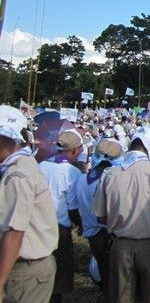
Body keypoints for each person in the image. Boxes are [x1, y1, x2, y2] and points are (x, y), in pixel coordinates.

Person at [93, 131, 150, 303]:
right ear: (148, 151)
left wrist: (120, 220)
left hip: (120, 246)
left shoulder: (109, 174)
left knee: (121, 297)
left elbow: (100, 217)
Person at [0, 126, 58, 303]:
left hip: (23, 269)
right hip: (25, 266)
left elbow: (14, 233)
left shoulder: (17, 175)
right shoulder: (21, 165)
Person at [38, 129, 84, 303]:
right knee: (58, 275)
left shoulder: (41, 165)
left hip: (38, 224)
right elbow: (73, 208)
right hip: (59, 229)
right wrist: (81, 225)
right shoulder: (72, 172)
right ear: (75, 150)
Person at [74, 138, 124, 294]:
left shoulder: (82, 179)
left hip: (94, 236)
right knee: (119, 281)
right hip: (113, 235)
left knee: (105, 274)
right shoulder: (116, 179)